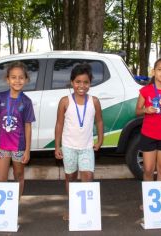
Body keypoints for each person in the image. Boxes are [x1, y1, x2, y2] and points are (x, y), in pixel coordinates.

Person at [55, 63, 104, 220]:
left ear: (90, 83)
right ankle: (73, 207)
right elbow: (59, 124)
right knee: (70, 177)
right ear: (72, 82)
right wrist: (57, 146)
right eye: (78, 82)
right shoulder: (65, 101)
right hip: (68, 147)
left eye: (85, 82)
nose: (81, 86)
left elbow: (99, 122)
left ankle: (86, 210)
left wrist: (100, 140)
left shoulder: (94, 101)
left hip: (87, 148)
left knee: (88, 176)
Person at [0, 62, 35, 197]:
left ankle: (16, 203)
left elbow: (28, 127)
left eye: (21, 77)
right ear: (7, 79)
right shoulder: (0, 98)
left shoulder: (26, 101)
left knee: (18, 175)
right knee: (1, 179)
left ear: (26, 80)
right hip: (2, 146)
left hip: (19, 147)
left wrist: (27, 150)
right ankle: (5, 210)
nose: (17, 80)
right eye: (14, 77)